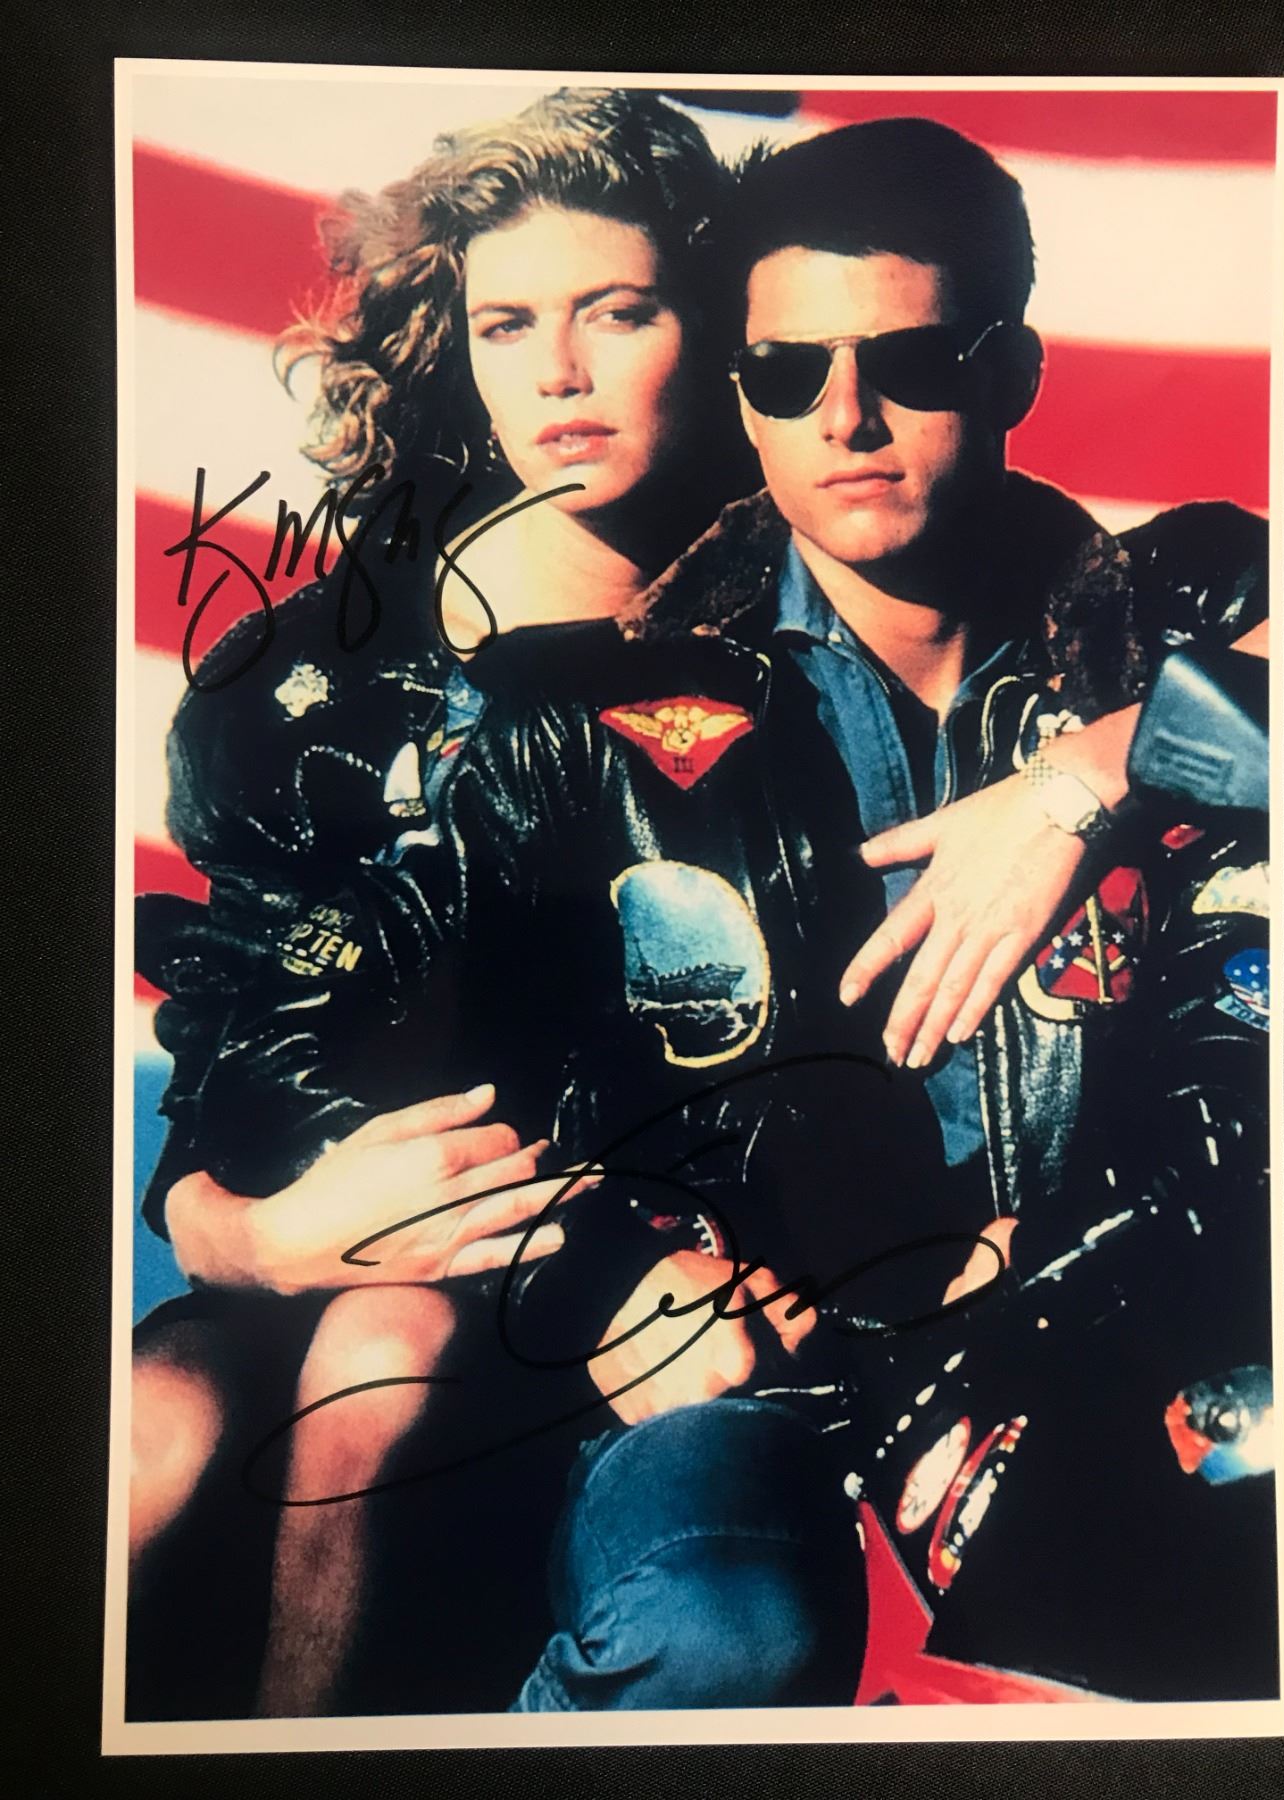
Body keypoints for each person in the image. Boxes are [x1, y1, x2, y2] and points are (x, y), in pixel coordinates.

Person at [170, 115, 1273, 1707]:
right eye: (789, 373)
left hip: (1094, 1311)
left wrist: (1093, 773)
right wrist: (577, 1268)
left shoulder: (1158, 620)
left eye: (913, 362)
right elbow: (293, 1042)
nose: (846, 417)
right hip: (750, 1356)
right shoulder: (574, 705)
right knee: (707, 1617)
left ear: (1012, 372)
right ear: (746, 387)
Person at [129, 86, 762, 1720]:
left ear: (714, 326)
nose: (557, 371)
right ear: (454, 352)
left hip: (631, 1294)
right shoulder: (314, 679)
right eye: (507, 324)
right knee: (149, 1433)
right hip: (327, 1251)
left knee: (379, 1367)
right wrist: (247, 1235)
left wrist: (582, 1255)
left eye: (618, 312)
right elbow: (227, 1046)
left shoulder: (804, 633)